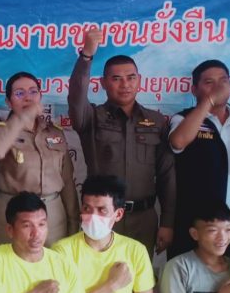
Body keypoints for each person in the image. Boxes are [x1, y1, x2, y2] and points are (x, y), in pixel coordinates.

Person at [68, 27, 175, 253]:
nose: (125, 84)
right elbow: (76, 98)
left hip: (144, 219)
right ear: (103, 83)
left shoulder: (156, 121)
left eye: (131, 78)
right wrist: (86, 56)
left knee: (139, 274)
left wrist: (167, 221)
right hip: (101, 219)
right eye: (116, 79)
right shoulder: (92, 117)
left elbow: (167, 174)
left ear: (139, 81)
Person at [167, 60, 230, 258]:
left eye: (223, 81)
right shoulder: (183, 119)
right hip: (193, 221)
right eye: (209, 82)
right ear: (194, 90)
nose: (218, 88)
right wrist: (208, 102)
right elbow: (178, 142)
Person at [0, 72, 78, 247]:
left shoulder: (54, 132)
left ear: (40, 96)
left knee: (53, 261)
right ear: (8, 102)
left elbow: (67, 182)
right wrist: (21, 119)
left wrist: (73, 220)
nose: (28, 97)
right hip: (12, 212)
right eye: (19, 93)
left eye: (33, 92)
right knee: (9, 262)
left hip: (52, 213)